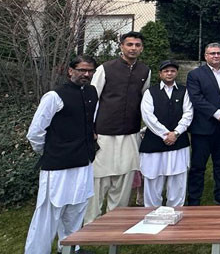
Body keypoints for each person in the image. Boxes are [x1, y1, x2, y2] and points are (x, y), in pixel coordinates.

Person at [25, 56, 98, 254]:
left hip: (83, 162)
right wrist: (50, 151)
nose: (87, 74)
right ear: (70, 71)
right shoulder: (54, 96)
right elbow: (35, 132)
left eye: (90, 70)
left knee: (76, 209)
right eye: (82, 70)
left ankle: (70, 249)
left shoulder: (92, 92)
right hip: (58, 165)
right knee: (48, 214)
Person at [85, 31, 150, 224]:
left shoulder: (145, 71)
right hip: (103, 132)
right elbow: (92, 98)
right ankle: (91, 223)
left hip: (130, 132)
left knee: (125, 177)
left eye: (137, 45)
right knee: (99, 179)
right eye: (129, 44)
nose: (133, 48)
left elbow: (144, 100)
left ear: (141, 48)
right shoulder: (105, 69)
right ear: (121, 46)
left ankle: (116, 221)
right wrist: (90, 128)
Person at [186, 43, 220, 206]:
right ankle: (194, 198)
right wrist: (217, 113)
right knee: (198, 166)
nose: (215, 56)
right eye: (212, 53)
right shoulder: (195, 75)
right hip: (203, 128)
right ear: (205, 56)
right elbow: (196, 98)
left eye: (218, 53)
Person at [139, 60, 193, 207]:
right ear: (160, 74)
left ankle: (175, 210)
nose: (169, 73)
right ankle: (151, 211)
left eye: (172, 71)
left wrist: (176, 133)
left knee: (178, 179)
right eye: (166, 71)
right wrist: (165, 134)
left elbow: (188, 114)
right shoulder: (150, 92)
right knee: (153, 178)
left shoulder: (184, 91)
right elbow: (148, 116)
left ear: (176, 73)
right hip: (154, 142)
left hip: (178, 141)